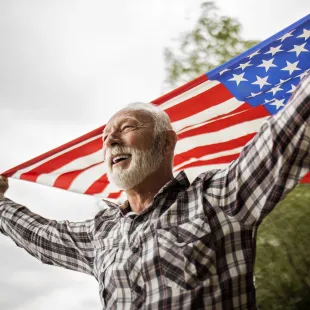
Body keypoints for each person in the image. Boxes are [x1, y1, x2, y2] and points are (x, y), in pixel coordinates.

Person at [0, 73, 309, 310]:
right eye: (106, 137)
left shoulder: (219, 198)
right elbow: (43, 235)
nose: (110, 141)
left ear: (166, 143)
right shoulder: (102, 234)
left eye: (126, 128)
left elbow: (285, 135)